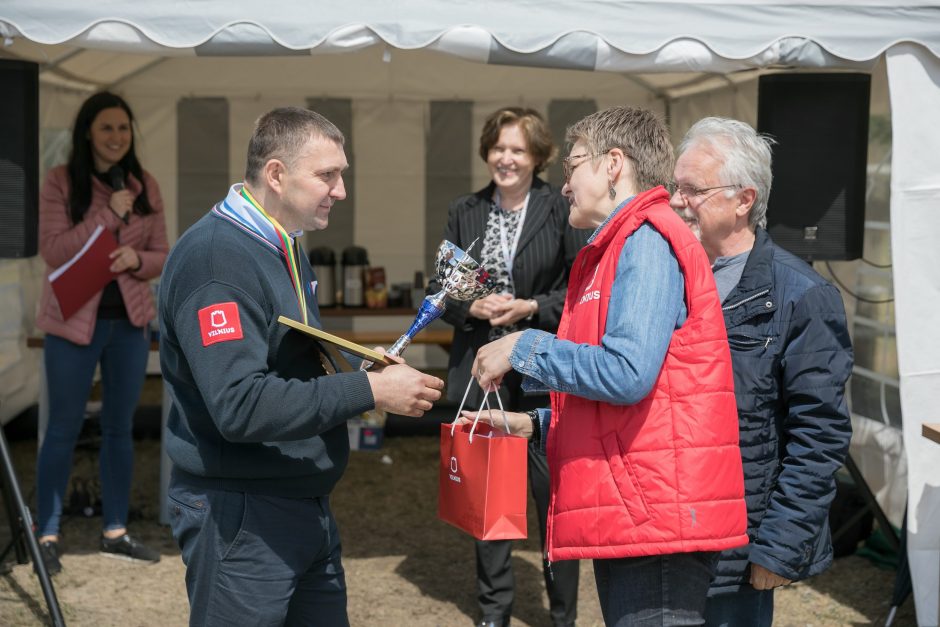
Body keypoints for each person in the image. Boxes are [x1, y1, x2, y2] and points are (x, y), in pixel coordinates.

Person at [158, 106, 444, 626]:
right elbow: (239, 405)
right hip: (241, 513)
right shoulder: (218, 262)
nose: (341, 191)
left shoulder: (277, 241)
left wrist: (360, 372)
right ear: (275, 174)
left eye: (342, 175)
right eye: (327, 175)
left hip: (294, 499)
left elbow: (287, 355)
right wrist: (368, 393)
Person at [467, 106, 749, 626]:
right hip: (641, 506)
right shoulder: (623, 242)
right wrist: (534, 424)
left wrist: (524, 345)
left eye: (573, 166)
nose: (566, 186)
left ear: (613, 164)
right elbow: (648, 399)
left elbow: (626, 373)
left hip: (655, 516)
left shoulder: (646, 240)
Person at [670, 117, 853, 627]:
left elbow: (820, 435)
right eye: (675, 186)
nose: (678, 200)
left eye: (693, 189)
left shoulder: (803, 296)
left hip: (737, 547)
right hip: (666, 532)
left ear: (743, 200)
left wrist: (777, 549)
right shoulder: (666, 276)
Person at [428, 107, 586, 627]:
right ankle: (493, 612)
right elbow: (444, 290)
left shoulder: (559, 208)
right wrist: (469, 305)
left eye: (518, 149)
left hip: (541, 372)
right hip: (481, 370)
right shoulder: (464, 209)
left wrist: (529, 307)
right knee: (489, 494)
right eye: (498, 147)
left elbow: (579, 291)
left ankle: (562, 615)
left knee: (552, 501)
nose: (506, 158)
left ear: (538, 156)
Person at [34, 91, 168, 574]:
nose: (116, 137)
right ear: (88, 132)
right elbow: (53, 251)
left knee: (119, 429)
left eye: (124, 128)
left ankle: (115, 530)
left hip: (129, 325)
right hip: (71, 323)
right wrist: (109, 214)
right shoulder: (59, 183)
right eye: (107, 128)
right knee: (62, 430)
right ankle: (46, 532)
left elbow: (163, 254)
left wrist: (139, 260)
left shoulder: (144, 185)